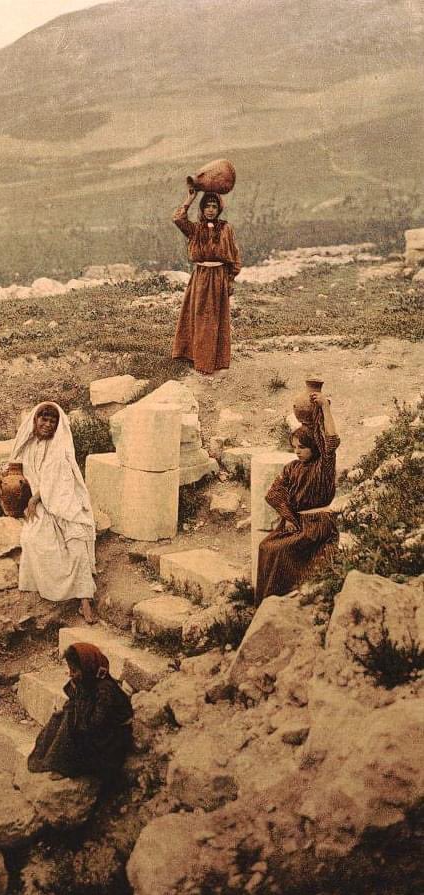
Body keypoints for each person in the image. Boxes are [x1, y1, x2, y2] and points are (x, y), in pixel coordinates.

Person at [0, 401, 97, 623]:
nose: (48, 424)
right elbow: (14, 467)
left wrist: (35, 498)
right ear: (35, 419)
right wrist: (0, 475)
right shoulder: (29, 444)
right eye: (44, 419)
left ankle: (85, 601)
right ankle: (40, 593)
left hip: (61, 500)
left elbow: (58, 481)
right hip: (40, 504)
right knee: (33, 539)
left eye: (53, 421)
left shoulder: (59, 447)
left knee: (77, 540)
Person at [255, 393, 340, 605]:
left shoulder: (323, 467)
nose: (297, 452)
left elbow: (330, 440)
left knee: (281, 551)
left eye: (302, 447)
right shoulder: (292, 467)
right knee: (266, 547)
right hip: (297, 523)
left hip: (317, 525)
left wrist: (325, 410)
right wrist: (290, 518)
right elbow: (274, 492)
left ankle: (284, 601)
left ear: (313, 447)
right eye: (294, 447)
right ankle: (267, 603)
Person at [27, 643, 133, 780]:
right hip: (98, 732)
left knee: (71, 722)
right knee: (59, 717)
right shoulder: (89, 680)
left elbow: (97, 724)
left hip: (111, 742)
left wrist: (76, 717)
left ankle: (65, 766)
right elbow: (75, 700)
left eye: (74, 670)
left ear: (87, 667)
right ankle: (49, 758)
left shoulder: (105, 690)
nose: (71, 674)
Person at [171, 188, 241, 375]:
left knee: (215, 320)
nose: (210, 210)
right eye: (207, 206)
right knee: (199, 317)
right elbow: (178, 219)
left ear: (219, 208)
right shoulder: (195, 229)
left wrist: (231, 278)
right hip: (200, 277)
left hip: (219, 276)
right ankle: (195, 357)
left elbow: (234, 254)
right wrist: (190, 197)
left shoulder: (226, 229)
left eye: (214, 206)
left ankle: (215, 360)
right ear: (202, 209)